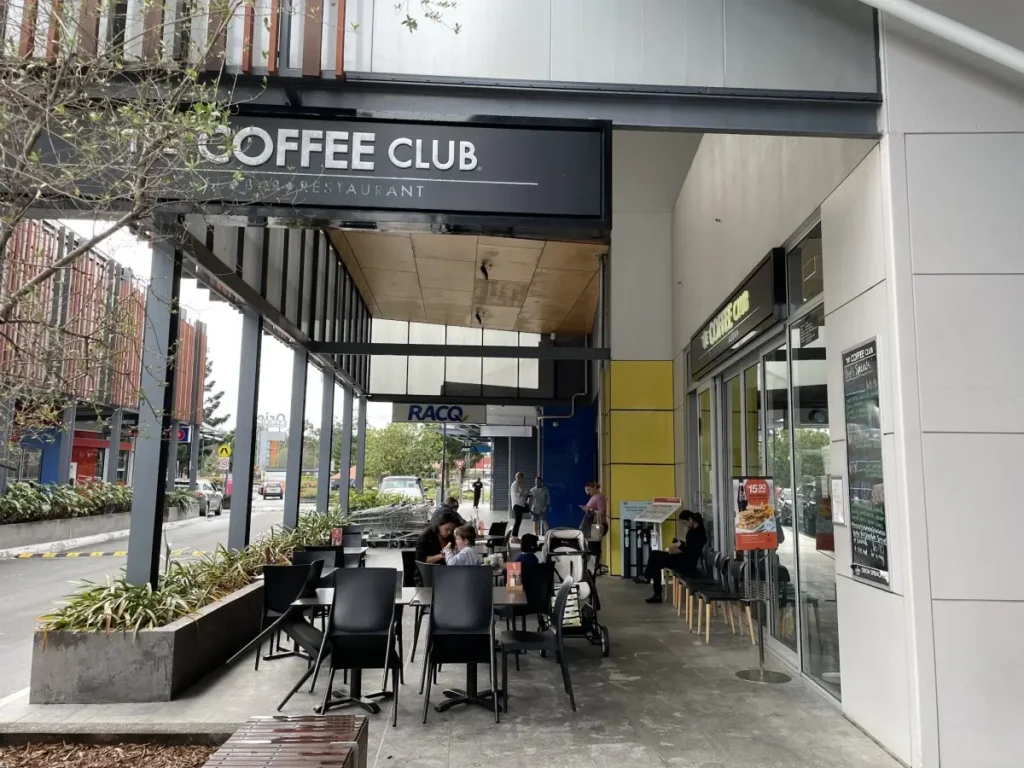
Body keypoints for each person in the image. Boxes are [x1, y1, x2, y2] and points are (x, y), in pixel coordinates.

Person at [641, 510, 708, 604]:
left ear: (690, 520)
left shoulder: (699, 534)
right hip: (683, 558)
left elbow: (692, 551)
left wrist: (678, 547)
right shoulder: (693, 531)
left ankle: (648, 579)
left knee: (655, 558)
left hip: (687, 563)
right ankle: (653, 588)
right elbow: (689, 546)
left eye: (685, 523)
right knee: (656, 558)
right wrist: (680, 543)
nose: (685, 526)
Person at [413, 510, 461, 585]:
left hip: (446, 574)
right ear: (439, 525)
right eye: (447, 529)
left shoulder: (451, 536)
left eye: (451, 530)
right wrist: (441, 556)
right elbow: (422, 560)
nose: (449, 532)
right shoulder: (425, 537)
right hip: (427, 576)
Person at [579, 481, 608, 573]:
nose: (588, 492)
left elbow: (601, 512)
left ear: (595, 487)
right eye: (586, 490)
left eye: (589, 489)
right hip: (593, 525)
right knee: (593, 546)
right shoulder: (594, 497)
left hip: (598, 525)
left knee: (594, 547)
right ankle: (595, 566)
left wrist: (589, 509)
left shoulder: (599, 497)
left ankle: (595, 567)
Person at [510, 471, 529, 540]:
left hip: (521, 505)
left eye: (522, 478)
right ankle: (514, 536)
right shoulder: (514, 485)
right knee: (517, 521)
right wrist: (522, 491)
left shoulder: (521, 485)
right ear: (518, 478)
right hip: (517, 505)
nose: (522, 480)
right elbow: (516, 495)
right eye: (521, 478)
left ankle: (515, 536)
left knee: (519, 521)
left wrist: (525, 493)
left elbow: (523, 495)